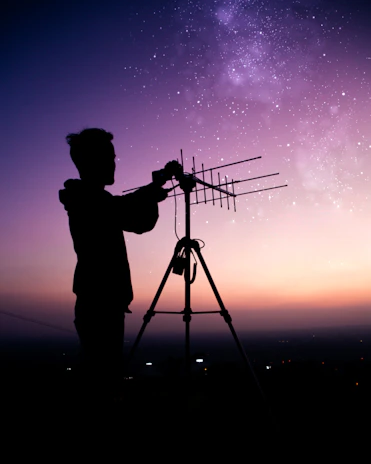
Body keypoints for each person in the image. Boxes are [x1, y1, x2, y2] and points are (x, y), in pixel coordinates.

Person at [59, 128, 178, 400]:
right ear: (93, 161)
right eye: (109, 157)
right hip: (100, 302)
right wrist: (153, 193)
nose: (114, 163)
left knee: (101, 373)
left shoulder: (89, 198)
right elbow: (130, 216)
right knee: (101, 378)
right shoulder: (87, 200)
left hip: (100, 300)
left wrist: (154, 188)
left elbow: (128, 213)